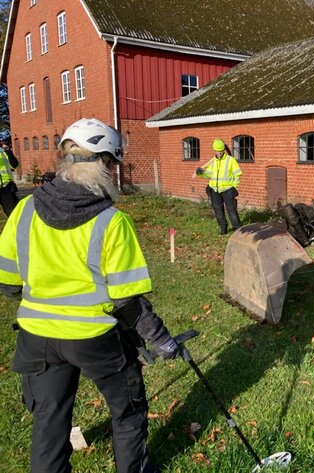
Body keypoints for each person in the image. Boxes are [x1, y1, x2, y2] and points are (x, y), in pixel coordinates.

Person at [0, 118, 178, 473]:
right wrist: (162, 341)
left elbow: (8, 285)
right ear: (104, 165)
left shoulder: (23, 211)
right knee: (127, 409)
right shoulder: (112, 221)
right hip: (95, 338)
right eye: (112, 165)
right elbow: (129, 302)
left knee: (49, 420)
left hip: (37, 339)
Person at [195, 138, 242, 234]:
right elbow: (208, 175)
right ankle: (223, 229)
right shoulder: (212, 162)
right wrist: (201, 173)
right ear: (214, 150)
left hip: (227, 189)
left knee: (232, 211)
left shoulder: (231, 160)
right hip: (214, 190)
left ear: (224, 150)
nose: (219, 153)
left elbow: (237, 174)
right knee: (218, 211)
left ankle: (238, 230)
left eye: (221, 151)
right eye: (217, 151)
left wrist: (234, 186)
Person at [0, 139, 20, 217]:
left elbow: (15, 165)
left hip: (6, 188)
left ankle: (18, 228)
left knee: (14, 214)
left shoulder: (3, 154)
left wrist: (8, 151)